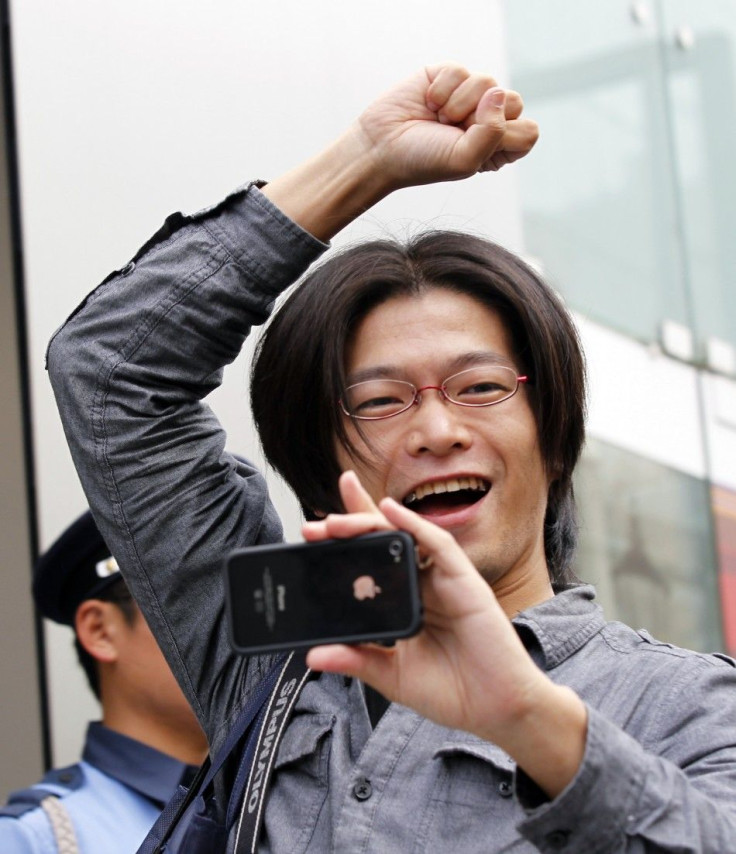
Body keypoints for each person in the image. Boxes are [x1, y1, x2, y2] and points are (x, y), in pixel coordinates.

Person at [46, 63, 736, 852]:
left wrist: (526, 717)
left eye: (479, 387)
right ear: (319, 462)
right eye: (379, 401)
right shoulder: (269, 666)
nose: (437, 429)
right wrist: (366, 161)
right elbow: (110, 373)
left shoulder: (687, 705)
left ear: (553, 438)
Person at [0, 510, 208, 853]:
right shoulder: (35, 838)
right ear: (100, 631)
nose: (224, 626)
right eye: (191, 598)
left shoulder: (276, 805)